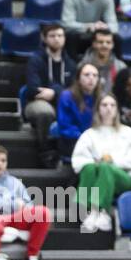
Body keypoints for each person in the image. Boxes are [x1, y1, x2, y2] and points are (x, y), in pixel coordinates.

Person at [72, 93, 131, 233]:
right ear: (98, 109)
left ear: (117, 109)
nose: (108, 108)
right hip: (98, 175)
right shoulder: (89, 134)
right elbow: (78, 160)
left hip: (124, 178)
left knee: (106, 167)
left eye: (112, 105)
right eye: (104, 105)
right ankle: (92, 213)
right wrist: (96, 163)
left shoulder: (129, 133)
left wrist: (113, 161)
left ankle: (97, 210)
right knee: (88, 167)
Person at [0, 146, 54, 260]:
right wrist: (15, 204)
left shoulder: (15, 183)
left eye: (3, 160)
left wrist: (21, 208)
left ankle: (31, 258)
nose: (0, 164)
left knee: (43, 213)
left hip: (13, 219)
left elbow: (28, 205)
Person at [24, 23, 77, 165]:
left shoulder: (71, 64)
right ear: (44, 38)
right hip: (37, 103)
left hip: (63, 103)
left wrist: (54, 92)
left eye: (60, 35)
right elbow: (33, 90)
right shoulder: (35, 60)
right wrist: (61, 92)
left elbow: (74, 91)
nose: (57, 39)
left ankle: (69, 155)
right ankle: (45, 153)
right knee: (44, 112)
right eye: (52, 36)